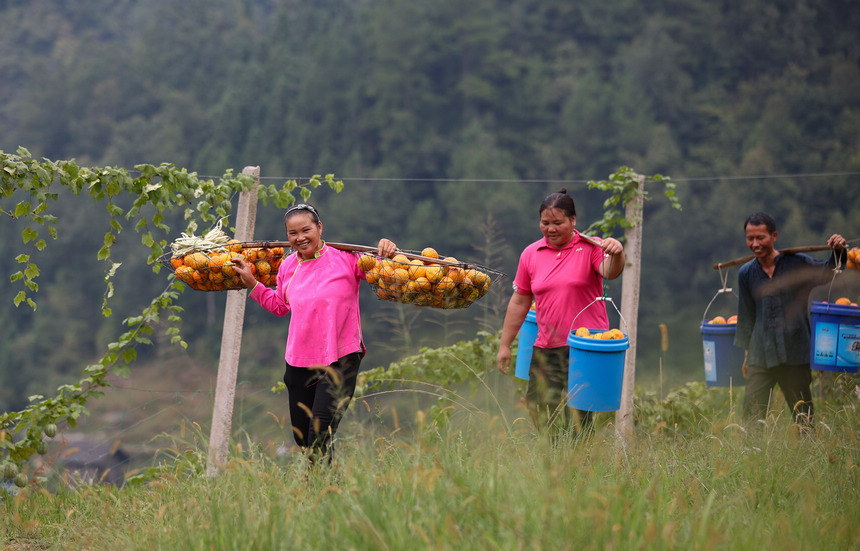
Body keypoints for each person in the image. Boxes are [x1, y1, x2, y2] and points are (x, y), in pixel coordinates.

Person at [232, 203, 397, 463]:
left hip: (341, 358)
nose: (300, 238)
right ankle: (328, 492)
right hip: (299, 362)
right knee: (303, 441)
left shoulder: (348, 258)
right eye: (292, 233)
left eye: (306, 230)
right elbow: (280, 306)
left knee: (319, 435)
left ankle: (317, 491)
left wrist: (387, 251)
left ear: (320, 228)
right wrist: (253, 283)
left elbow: (385, 272)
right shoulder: (288, 267)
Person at [496, 189, 625, 439]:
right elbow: (520, 300)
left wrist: (618, 252)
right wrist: (505, 345)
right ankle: (557, 456)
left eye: (558, 222)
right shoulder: (530, 254)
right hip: (546, 347)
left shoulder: (591, 247)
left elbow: (610, 272)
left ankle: (576, 464)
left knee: (579, 416)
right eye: (545, 223)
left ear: (573, 221)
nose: (551, 229)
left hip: (585, 346)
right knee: (537, 407)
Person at [734, 212, 847, 429]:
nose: (755, 244)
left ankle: (807, 453)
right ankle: (751, 457)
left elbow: (831, 271)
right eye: (750, 239)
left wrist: (839, 250)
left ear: (774, 236)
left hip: (795, 350)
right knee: (751, 417)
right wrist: (747, 355)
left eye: (761, 237)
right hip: (761, 354)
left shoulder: (798, 264)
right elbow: (746, 316)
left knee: (802, 416)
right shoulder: (746, 274)